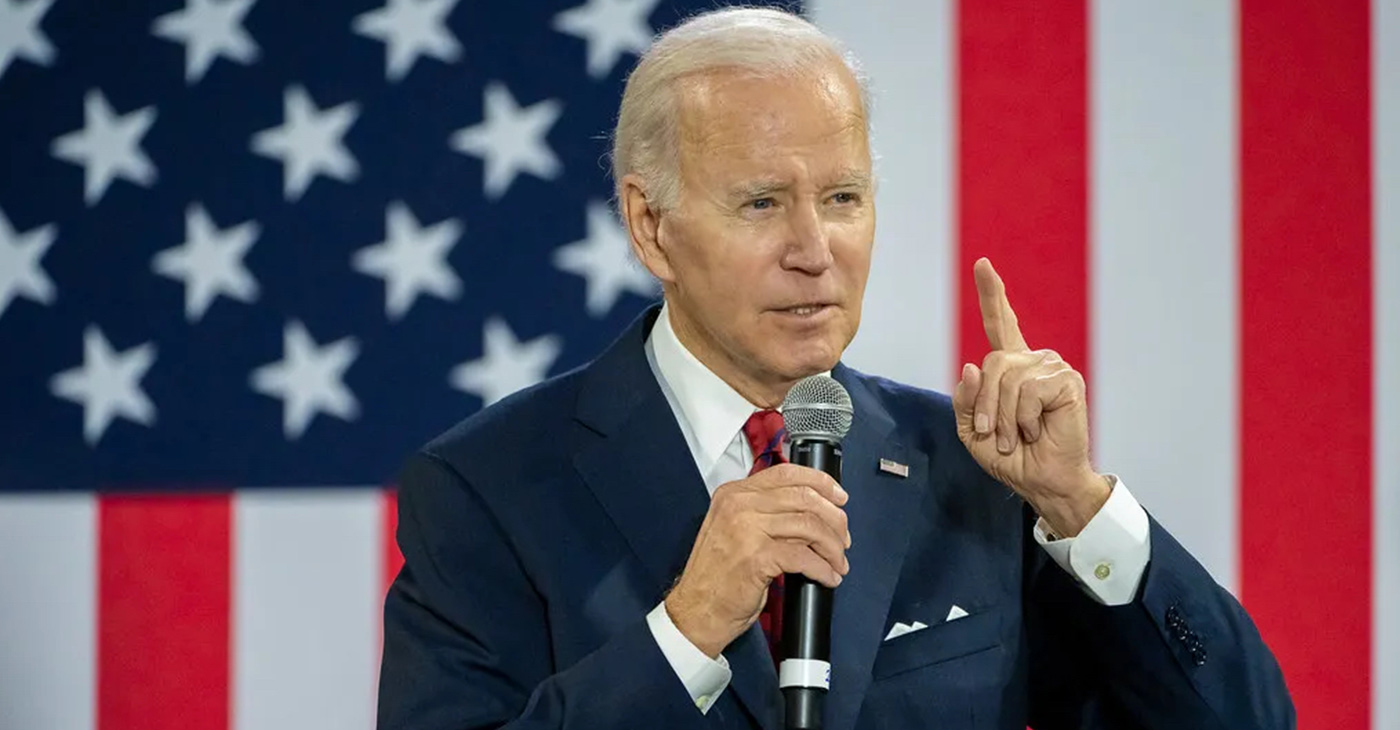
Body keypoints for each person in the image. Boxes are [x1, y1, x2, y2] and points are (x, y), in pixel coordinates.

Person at [377, 8, 1293, 729]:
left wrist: (1082, 508)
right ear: (651, 225)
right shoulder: (486, 488)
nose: (814, 250)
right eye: (762, 202)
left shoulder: (972, 470)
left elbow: (1247, 721)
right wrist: (686, 632)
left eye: (843, 197)